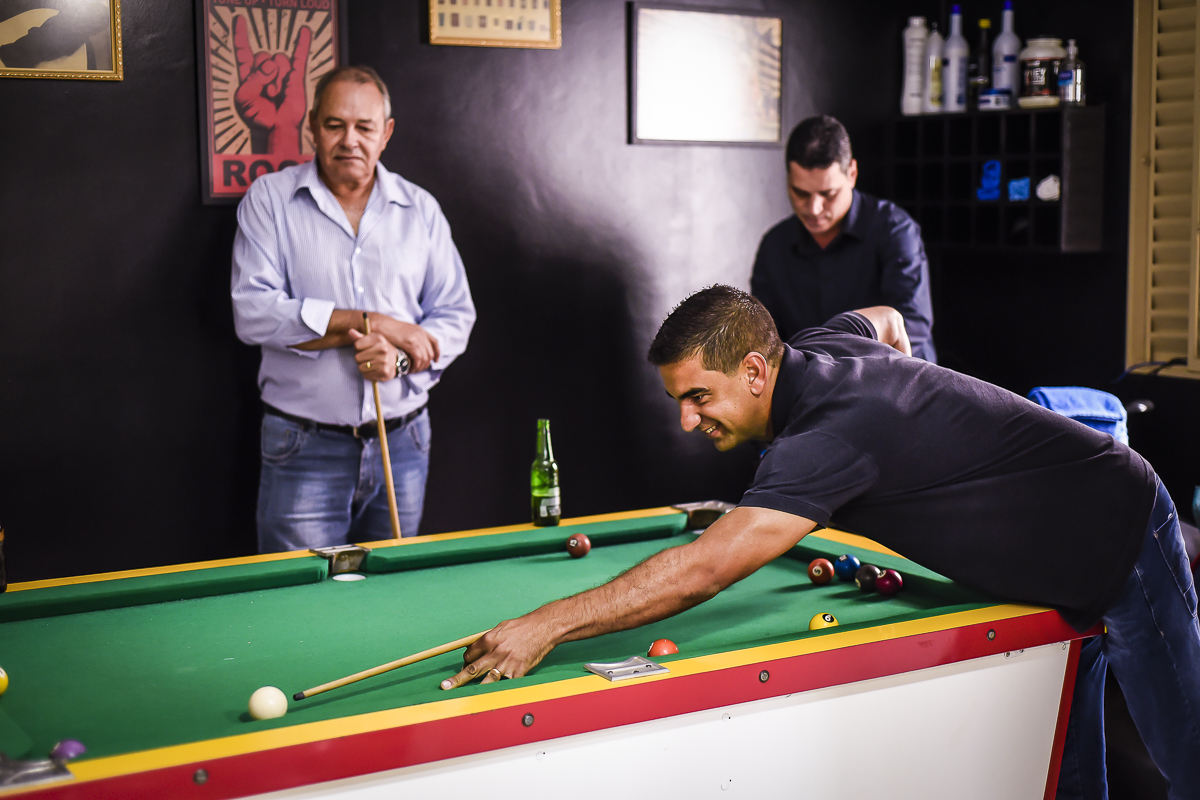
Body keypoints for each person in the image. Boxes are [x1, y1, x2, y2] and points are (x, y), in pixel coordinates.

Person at [441, 286, 1199, 800]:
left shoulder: (824, 439)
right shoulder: (818, 346)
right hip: (1042, 561)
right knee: (1062, 762)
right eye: (678, 400)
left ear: (753, 370)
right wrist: (931, 428)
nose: (686, 420)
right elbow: (888, 320)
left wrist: (545, 624)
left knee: (1182, 752)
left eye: (698, 397)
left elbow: (703, 569)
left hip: (1117, 532)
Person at [231, 65, 475, 552]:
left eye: (364, 127)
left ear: (386, 133)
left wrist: (400, 358)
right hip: (302, 445)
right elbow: (254, 314)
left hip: (403, 444)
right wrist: (375, 323)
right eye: (334, 124)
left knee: (392, 590)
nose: (350, 140)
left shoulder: (421, 209)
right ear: (312, 127)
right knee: (302, 594)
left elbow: (455, 316)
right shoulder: (270, 199)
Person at [750, 116, 937, 362]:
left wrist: (829, 371)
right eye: (801, 193)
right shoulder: (774, 246)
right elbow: (763, 338)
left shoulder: (894, 230)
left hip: (891, 377)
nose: (814, 208)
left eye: (828, 193)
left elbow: (913, 327)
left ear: (852, 174)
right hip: (809, 382)